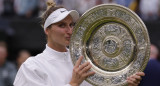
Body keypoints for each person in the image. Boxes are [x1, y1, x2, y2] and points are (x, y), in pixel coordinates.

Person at [14, 0, 145, 86]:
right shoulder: (32, 67)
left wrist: (126, 84)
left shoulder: (86, 62)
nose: (70, 30)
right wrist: (73, 84)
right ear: (47, 30)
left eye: (71, 25)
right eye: (62, 25)